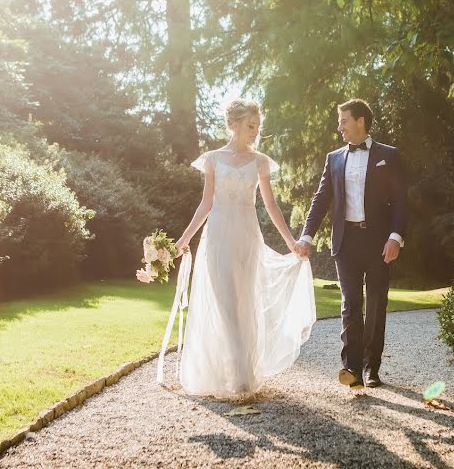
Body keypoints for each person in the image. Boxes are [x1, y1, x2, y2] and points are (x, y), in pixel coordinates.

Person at [173, 98, 315, 397]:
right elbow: (206, 204)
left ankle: (245, 372)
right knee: (225, 302)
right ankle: (237, 374)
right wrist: (184, 239)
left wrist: (291, 242)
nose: (255, 132)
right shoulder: (212, 159)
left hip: (248, 237)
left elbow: (271, 204)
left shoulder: (260, 161)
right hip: (218, 235)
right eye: (251, 126)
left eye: (257, 127)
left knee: (244, 303)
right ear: (234, 124)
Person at [295, 99, 408, 390]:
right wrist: (307, 235)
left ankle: (372, 368)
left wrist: (396, 236)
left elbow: (400, 201)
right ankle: (352, 367)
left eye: (344, 120)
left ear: (360, 121)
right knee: (350, 305)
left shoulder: (389, 155)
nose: (339, 127)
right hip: (346, 241)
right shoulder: (334, 158)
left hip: (379, 240)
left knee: (376, 303)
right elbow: (321, 200)